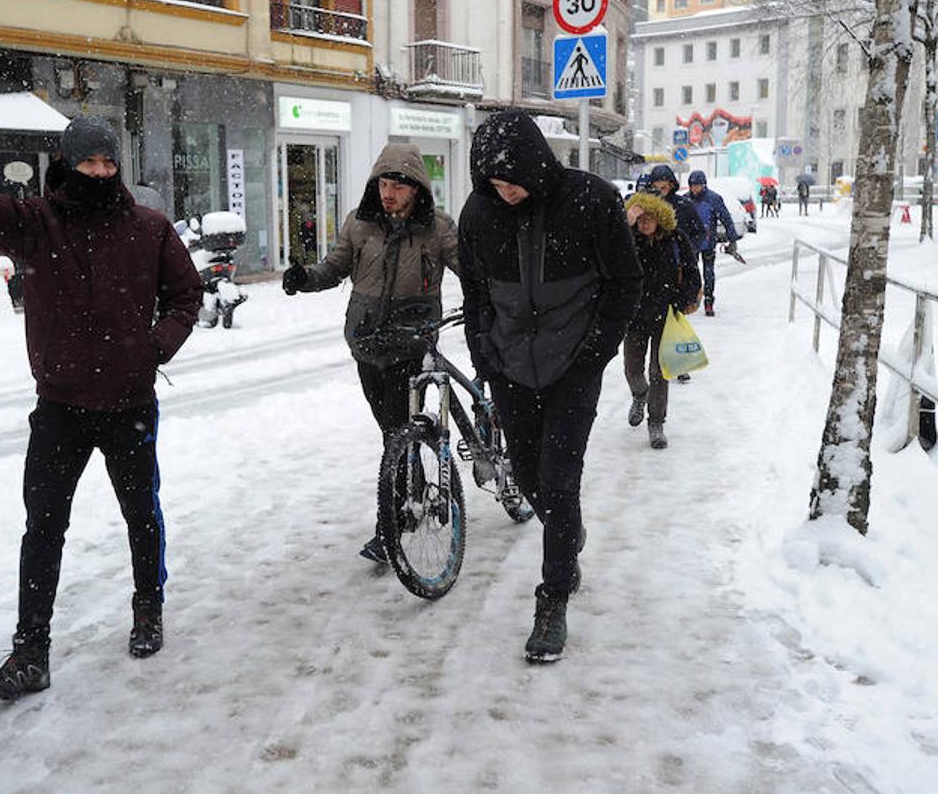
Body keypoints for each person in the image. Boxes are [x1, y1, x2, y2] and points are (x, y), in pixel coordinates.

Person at [0, 117, 202, 701]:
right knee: (44, 527)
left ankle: (148, 610)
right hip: (59, 408)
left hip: (129, 401)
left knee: (140, 514)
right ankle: (31, 652)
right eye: (90, 162)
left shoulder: (149, 228)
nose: (100, 172)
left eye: (108, 163)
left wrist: (154, 348)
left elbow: (186, 296)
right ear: (67, 165)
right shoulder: (37, 225)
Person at [459, 110, 642, 663]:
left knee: (558, 482)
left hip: (571, 369)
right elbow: (475, 297)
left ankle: (553, 597)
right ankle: (569, 532)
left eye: (512, 181)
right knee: (531, 476)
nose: (505, 192)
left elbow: (625, 283)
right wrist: (485, 358)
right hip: (510, 367)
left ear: (537, 166)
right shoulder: (479, 215)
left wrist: (594, 355)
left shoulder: (591, 201)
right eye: (493, 183)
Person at [280, 143, 495, 562]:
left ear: (416, 189)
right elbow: (335, 269)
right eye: (384, 182)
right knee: (391, 433)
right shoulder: (359, 225)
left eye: (399, 185)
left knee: (397, 433)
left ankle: (391, 525)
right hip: (365, 342)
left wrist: (492, 297)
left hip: (410, 342)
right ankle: (404, 503)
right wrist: (303, 278)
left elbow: (470, 271)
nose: (389, 192)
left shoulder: (437, 228)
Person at [622, 192, 702, 449]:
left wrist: (682, 299)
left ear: (661, 219)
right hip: (633, 315)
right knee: (632, 369)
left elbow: (692, 273)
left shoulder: (676, 239)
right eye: (640, 218)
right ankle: (639, 394)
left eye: (650, 218)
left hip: (664, 315)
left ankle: (656, 423)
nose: (644, 223)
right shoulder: (627, 240)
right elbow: (608, 255)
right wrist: (626, 222)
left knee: (660, 373)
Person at [686, 170, 739, 317]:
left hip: (708, 242)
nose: (694, 189)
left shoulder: (714, 199)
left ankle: (709, 301)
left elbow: (726, 219)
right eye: (692, 186)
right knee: (691, 273)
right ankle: (691, 299)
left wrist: (732, 239)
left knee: (708, 273)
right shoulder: (685, 200)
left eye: (697, 186)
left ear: (704, 185)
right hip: (691, 243)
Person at [642, 164, 705, 254]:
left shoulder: (684, 205)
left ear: (671, 185)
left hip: (679, 260)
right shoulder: (644, 205)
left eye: (663, 188)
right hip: (651, 260)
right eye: (655, 188)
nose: (659, 191)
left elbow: (699, 232)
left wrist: (688, 251)